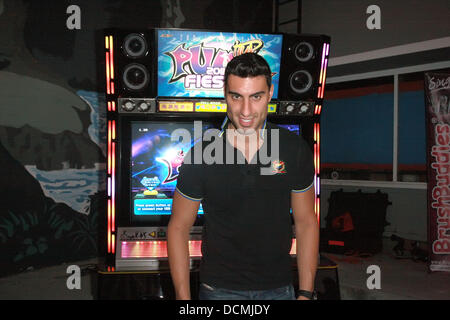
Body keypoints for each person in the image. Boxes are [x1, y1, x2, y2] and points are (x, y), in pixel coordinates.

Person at [167, 52, 319, 300]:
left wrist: (305, 292)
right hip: (218, 289)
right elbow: (178, 227)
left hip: (279, 288)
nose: (245, 110)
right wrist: (183, 299)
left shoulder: (295, 149)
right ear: (225, 95)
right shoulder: (201, 154)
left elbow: (306, 223)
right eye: (236, 97)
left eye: (256, 97)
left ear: (270, 94)